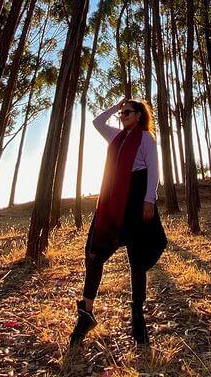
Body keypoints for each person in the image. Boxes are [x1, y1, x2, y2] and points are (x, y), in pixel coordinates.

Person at [69, 97, 167, 348]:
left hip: (136, 198)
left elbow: (153, 171)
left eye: (127, 113)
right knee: (94, 253)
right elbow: (96, 121)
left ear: (139, 115)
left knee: (137, 259)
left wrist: (149, 201)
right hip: (112, 200)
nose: (122, 116)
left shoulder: (146, 138)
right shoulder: (115, 137)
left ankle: (137, 316)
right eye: (121, 113)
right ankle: (87, 313)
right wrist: (116, 106)